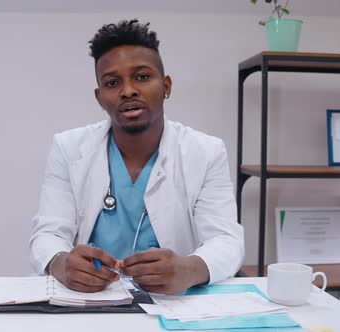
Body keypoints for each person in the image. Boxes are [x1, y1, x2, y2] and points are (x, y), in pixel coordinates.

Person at [29, 19, 244, 295]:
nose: (128, 90)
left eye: (142, 77)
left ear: (166, 86)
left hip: (171, 301)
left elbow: (226, 239)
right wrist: (60, 263)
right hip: (91, 299)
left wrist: (189, 269)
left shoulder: (206, 152)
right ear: (99, 97)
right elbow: (48, 234)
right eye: (112, 82)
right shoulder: (68, 148)